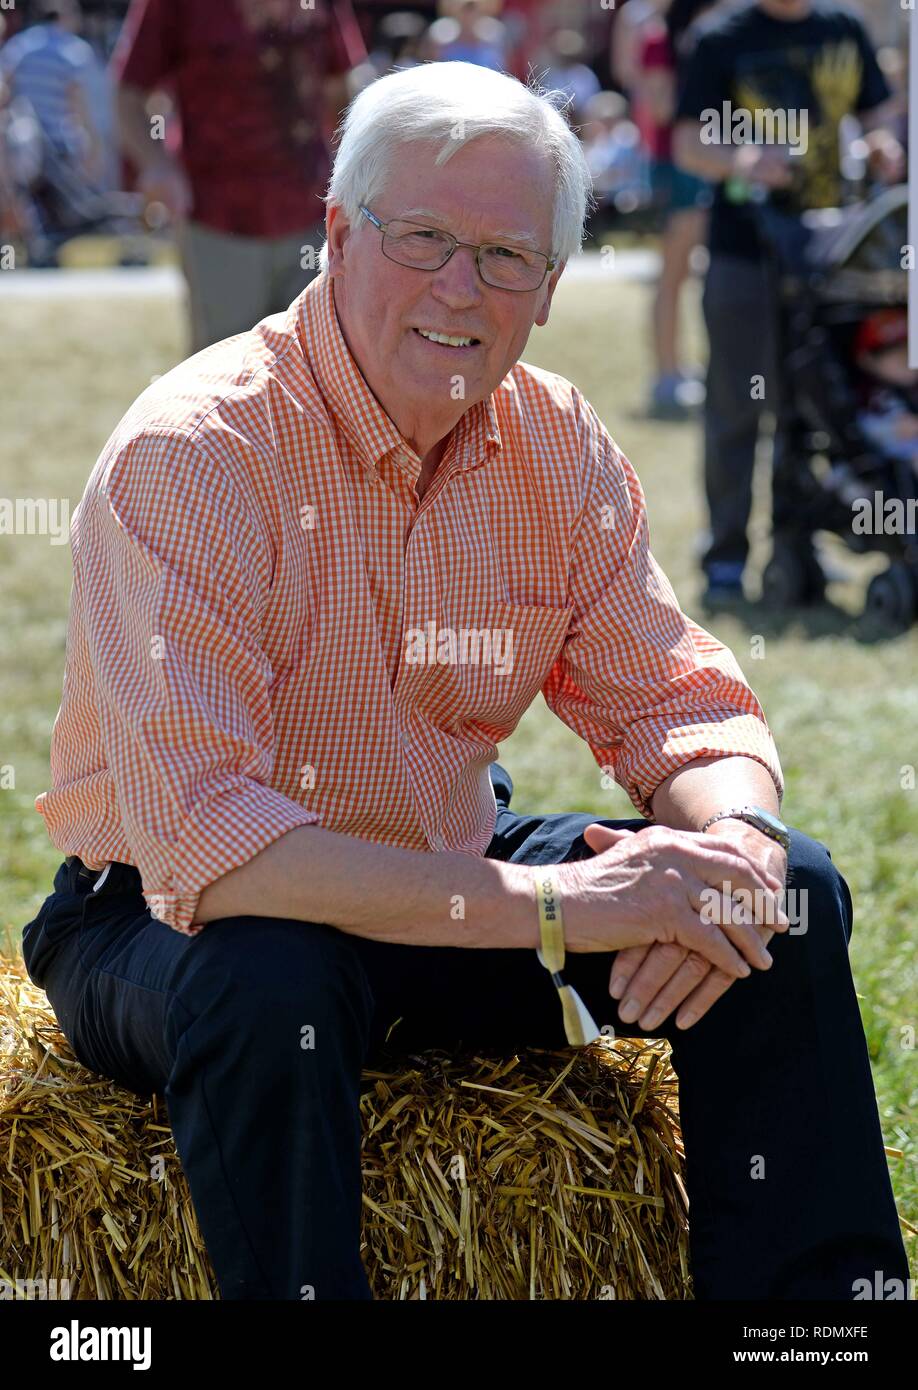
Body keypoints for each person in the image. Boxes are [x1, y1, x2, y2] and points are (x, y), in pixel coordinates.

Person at [24, 60, 908, 1301]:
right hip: (173, 922)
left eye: (506, 255)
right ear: (336, 235)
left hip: (445, 881)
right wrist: (566, 910)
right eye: (425, 237)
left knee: (785, 894)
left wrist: (740, 848)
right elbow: (216, 854)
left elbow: (684, 707)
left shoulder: (553, 440)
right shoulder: (198, 452)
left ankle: (817, 1327)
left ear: (550, 289)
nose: (461, 287)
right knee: (267, 976)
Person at [672, 0, 906, 606]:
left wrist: (882, 143)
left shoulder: (844, 28)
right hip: (746, 252)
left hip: (836, 256)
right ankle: (725, 559)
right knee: (739, 406)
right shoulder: (721, 37)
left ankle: (798, 548)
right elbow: (687, 142)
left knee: (815, 408)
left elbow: (879, 113)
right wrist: (742, 159)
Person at [111, 0, 367, 352]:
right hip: (215, 219)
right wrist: (157, 165)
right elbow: (128, 93)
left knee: (313, 367)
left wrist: (355, 176)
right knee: (224, 369)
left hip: (313, 212)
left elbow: (343, 86)